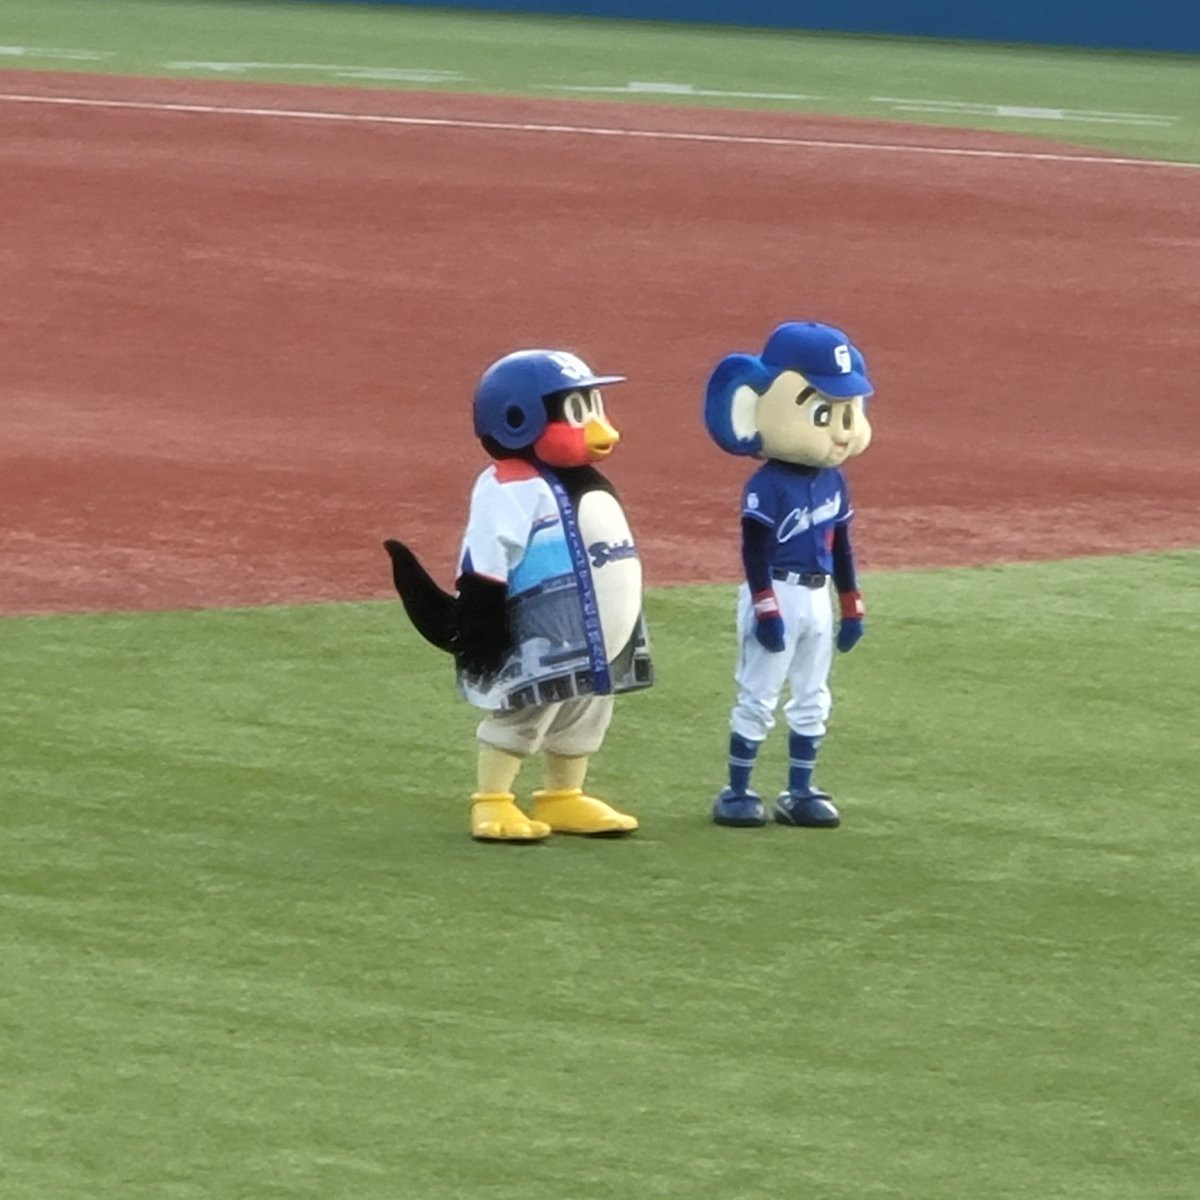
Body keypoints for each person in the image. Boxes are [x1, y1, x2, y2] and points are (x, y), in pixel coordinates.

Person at [383, 349, 652, 842]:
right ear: (517, 420)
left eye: (593, 407)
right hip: (541, 631)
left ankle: (563, 794)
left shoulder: (578, 480)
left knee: (586, 707)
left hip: (597, 634)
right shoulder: (510, 486)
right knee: (527, 707)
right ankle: (493, 800)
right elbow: (489, 555)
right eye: (577, 412)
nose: (600, 428)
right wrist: (481, 617)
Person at [702, 321, 875, 829]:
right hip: (777, 587)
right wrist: (765, 606)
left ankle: (800, 790)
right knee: (758, 693)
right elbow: (753, 547)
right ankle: (738, 791)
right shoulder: (766, 484)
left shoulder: (834, 481)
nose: (841, 430)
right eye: (825, 412)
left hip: (817, 598)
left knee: (813, 695)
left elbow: (842, 545)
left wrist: (851, 603)